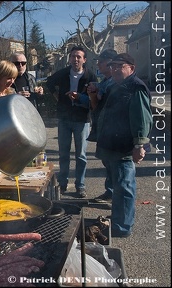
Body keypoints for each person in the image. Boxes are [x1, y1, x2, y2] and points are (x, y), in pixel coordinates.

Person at [95, 53, 152, 237]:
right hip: (112, 145)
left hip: (125, 148)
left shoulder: (136, 88)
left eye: (121, 66)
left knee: (125, 188)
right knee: (118, 188)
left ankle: (123, 227)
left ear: (131, 68)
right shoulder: (115, 85)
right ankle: (118, 219)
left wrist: (139, 145)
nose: (115, 69)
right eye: (113, 66)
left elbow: (142, 119)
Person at [46, 46, 97, 198]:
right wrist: (58, 97)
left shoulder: (90, 76)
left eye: (79, 57)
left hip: (82, 119)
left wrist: (80, 98)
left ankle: (80, 185)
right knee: (63, 153)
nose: (75, 59)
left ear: (84, 60)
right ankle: (63, 183)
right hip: (64, 118)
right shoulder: (63, 73)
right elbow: (49, 83)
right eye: (73, 56)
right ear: (69, 59)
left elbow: (95, 96)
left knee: (81, 155)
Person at [85, 49, 118, 205]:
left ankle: (115, 195)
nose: (98, 64)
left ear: (110, 63)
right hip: (104, 130)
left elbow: (100, 103)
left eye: (101, 61)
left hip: (112, 131)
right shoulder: (105, 81)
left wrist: (94, 94)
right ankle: (110, 191)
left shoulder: (114, 82)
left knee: (113, 165)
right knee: (107, 163)